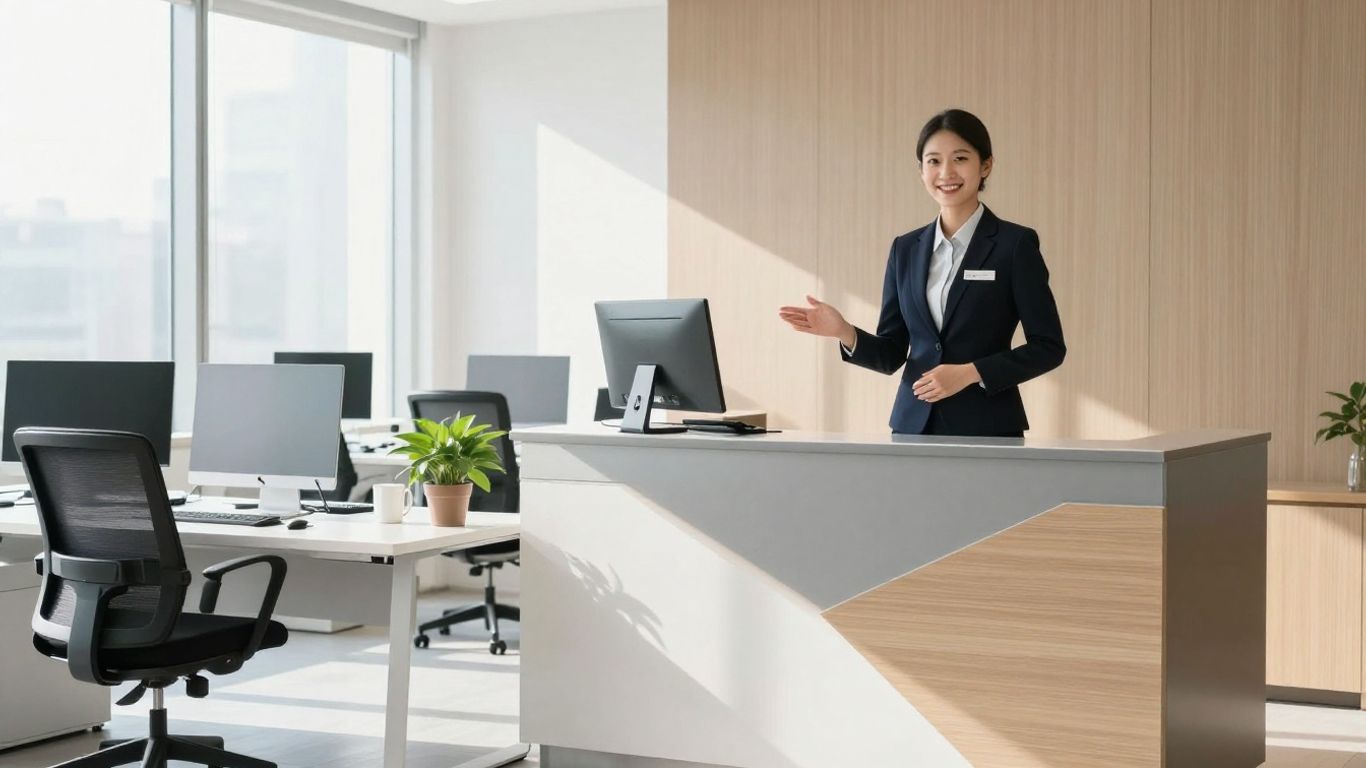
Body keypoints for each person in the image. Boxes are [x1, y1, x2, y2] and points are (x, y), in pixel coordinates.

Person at [779, 108, 1065, 437]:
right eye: (933, 161)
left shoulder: (1014, 245)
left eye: (960, 158)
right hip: (913, 426)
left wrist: (971, 372)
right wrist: (843, 331)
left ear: (985, 165)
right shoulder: (906, 249)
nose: (946, 172)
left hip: (988, 426)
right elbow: (891, 353)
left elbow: (1048, 347)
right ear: (921, 170)